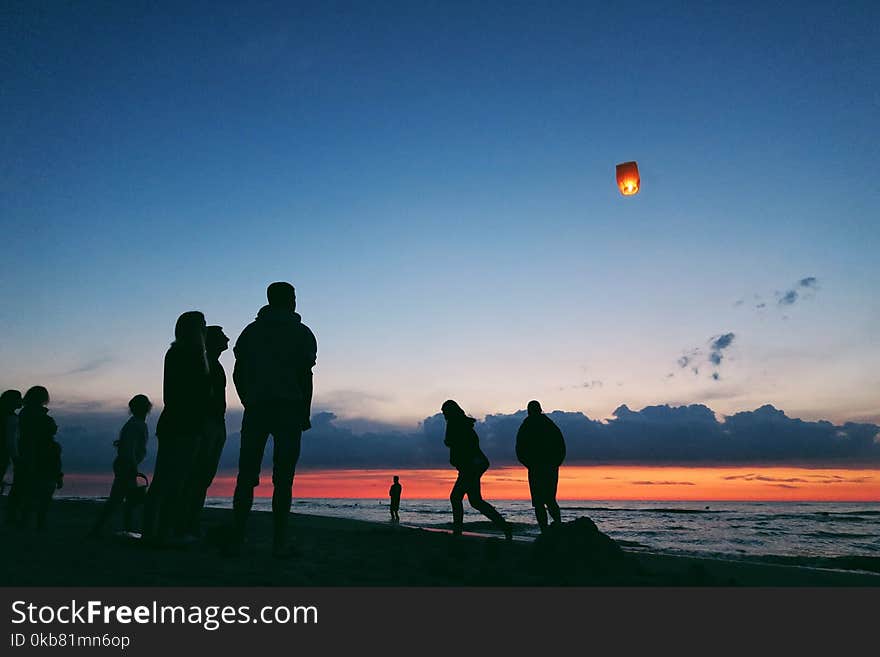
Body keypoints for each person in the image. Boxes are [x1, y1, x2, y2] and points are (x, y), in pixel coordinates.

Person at [228, 282, 317, 557]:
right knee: (283, 479)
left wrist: (248, 399)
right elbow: (306, 377)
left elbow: (238, 373)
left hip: (257, 408)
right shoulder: (302, 333)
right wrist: (305, 411)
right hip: (288, 409)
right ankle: (278, 541)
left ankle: (238, 537)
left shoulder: (251, 332)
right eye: (293, 297)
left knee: (246, 476)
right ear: (289, 300)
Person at [143, 311, 211, 546]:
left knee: (165, 479)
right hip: (185, 423)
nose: (205, 327)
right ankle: (161, 533)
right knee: (174, 480)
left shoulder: (179, 353)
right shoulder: (188, 354)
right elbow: (186, 394)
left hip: (177, 422)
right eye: (202, 324)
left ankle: (154, 531)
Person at [441, 400, 512, 540]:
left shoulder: (457, 424)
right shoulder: (460, 424)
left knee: (460, 498)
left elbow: (455, 443)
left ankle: (458, 531)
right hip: (470, 466)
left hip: (471, 467)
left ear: (450, 412)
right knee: (473, 501)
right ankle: (504, 527)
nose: (444, 415)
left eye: (445, 412)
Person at [183, 325, 230, 536]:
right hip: (207, 424)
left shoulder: (215, 364)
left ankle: (191, 520)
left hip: (215, 423)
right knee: (198, 475)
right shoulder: (205, 363)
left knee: (203, 476)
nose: (227, 338)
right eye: (222, 335)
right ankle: (187, 522)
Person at [89, 395, 153, 537]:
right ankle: (98, 529)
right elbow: (129, 448)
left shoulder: (134, 423)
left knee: (126, 499)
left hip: (125, 464)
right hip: (126, 465)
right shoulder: (136, 424)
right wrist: (133, 466)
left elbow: (127, 445)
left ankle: (124, 528)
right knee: (119, 499)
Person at [6, 386, 60, 528]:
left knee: (24, 488)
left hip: (30, 454)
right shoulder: (32, 415)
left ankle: (20, 519)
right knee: (28, 489)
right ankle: (24, 520)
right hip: (34, 455)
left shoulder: (25, 415)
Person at [516, 400, 566, 533]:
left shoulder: (529, 425)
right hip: (545, 467)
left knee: (541, 502)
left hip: (541, 467)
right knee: (548, 500)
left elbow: (519, 448)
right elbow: (561, 445)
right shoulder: (548, 425)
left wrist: (529, 464)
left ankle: (548, 529)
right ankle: (555, 526)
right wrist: (555, 462)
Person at [0, 390, 23, 495]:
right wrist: (15, 459)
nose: (21, 401)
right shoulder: (11, 417)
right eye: (19, 398)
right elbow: (11, 441)